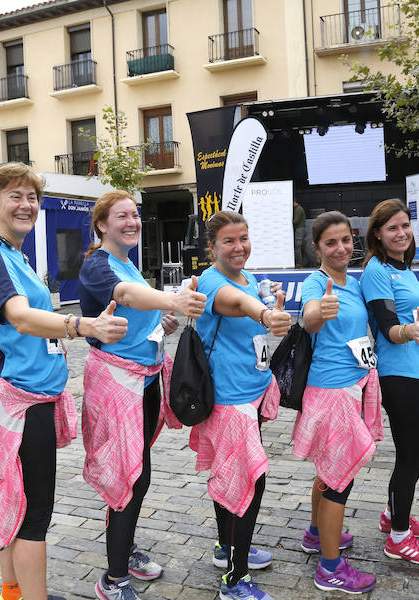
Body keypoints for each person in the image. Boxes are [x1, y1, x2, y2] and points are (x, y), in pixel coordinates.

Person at [0, 163, 128, 600]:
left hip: (31, 396)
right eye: (15, 196)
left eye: (32, 197)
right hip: (21, 400)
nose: (26, 204)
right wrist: (83, 326)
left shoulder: (15, 255)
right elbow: (19, 318)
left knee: (16, 499)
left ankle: (13, 592)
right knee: (33, 512)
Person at [78, 190, 207, 600]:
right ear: (101, 224)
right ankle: (113, 580)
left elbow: (137, 313)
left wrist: (161, 324)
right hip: (118, 384)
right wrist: (174, 300)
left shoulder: (129, 263)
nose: (132, 222)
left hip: (145, 381)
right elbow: (126, 297)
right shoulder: (99, 264)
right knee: (129, 476)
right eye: (122, 216)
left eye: (135, 215)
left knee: (138, 473)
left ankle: (124, 548)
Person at [190, 210, 291, 600]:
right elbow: (236, 304)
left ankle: (226, 548)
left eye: (243, 238)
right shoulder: (215, 281)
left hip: (250, 390)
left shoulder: (248, 278)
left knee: (229, 474)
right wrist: (265, 312)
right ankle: (235, 579)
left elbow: (250, 306)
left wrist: (270, 307)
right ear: (212, 247)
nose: (239, 247)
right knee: (249, 481)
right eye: (229, 241)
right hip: (230, 399)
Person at [293, 211, 381, 594]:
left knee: (329, 472)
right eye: (331, 242)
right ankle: (330, 569)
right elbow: (309, 316)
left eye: (346, 239)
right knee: (338, 482)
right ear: (317, 249)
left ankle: (316, 534)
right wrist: (317, 314)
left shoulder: (354, 282)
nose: (341, 247)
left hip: (351, 387)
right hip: (331, 392)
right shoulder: (317, 282)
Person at [359, 198, 419, 566]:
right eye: (392, 227)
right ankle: (398, 538)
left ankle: (393, 514)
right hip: (395, 374)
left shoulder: (405, 269)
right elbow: (388, 325)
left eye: (405, 225)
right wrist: (407, 331)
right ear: (377, 233)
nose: (401, 233)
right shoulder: (378, 270)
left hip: (415, 375)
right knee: (413, 453)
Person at [293, 201, 307, 267]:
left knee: (297, 246)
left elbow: (296, 221)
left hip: (299, 229)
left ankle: (299, 263)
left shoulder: (298, 209)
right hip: (301, 228)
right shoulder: (298, 208)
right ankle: (302, 263)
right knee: (301, 247)